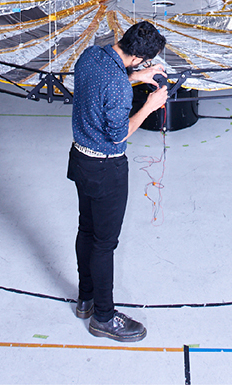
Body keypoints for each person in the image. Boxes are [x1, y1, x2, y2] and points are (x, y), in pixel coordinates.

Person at [68, 21, 169, 341]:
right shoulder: (119, 88)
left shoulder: (90, 56)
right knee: (104, 243)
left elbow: (101, 83)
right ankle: (103, 317)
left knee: (86, 229)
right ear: (140, 58)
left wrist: (134, 77)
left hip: (79, 160)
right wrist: (150, 106)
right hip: (106, 169)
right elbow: (117, 136)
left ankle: (85, 299)